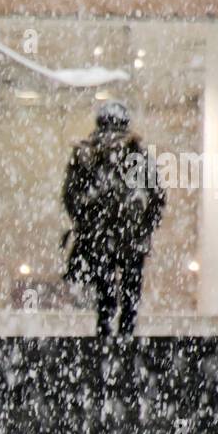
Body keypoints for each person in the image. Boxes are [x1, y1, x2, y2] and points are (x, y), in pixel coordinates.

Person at [62, 101, 165, 338]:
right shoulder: (137, 153)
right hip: (132, 234)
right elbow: (156, 194)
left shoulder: (85, 152)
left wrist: (85, 223)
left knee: (104, 288)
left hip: (98, 235)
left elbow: (70, 195)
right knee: (131, 286)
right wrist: (146, 226)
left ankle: (104, 332)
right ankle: (127, 332)